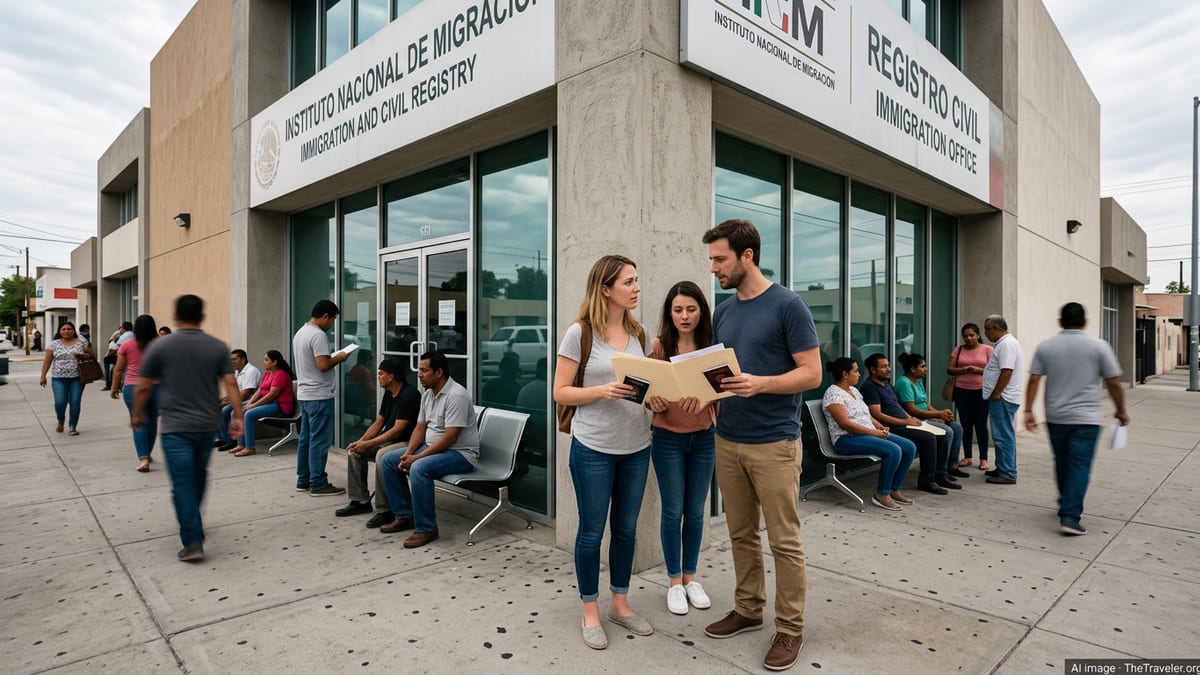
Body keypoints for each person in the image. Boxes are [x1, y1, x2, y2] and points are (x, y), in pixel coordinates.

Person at [700, 220, 820, 672]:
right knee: (739, 533)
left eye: (720, 259)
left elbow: (811, 373)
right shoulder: (725, 311)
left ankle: (789, 629)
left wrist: (762, 383)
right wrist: (707, 396)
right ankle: (749, 610)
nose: (714, 268)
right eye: (712, 259)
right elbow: (719, 371)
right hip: (727, 439)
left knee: (785, 542)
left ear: (747, 255)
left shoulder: (789, 305)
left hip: (775, 443)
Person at [552, 254, 654, 651]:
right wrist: (601, 390)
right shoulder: (580, 333)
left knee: (626, 530)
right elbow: (560, 391)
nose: (636, 287)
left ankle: (620, 604)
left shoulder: (640, 335)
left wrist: (656, 400)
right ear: (606, 288)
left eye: (636, 279)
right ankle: (590, 609)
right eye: (629, 281)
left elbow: (644, 389)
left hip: (637, 446)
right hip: (593, 447)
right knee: (592, 532)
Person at [132, 294, 244, 562]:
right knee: (198, 476)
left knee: (182, 482)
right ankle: (194, 522)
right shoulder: (217, 347)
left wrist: (137, 413)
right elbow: (231, 384)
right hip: (206, 425)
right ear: (202, 317)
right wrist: (238, 416)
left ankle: (192, 541)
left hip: (175, 428)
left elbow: (144, 385)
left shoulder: (160, 347)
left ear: (176, 317)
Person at [642, 280, 718, 616]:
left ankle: (691, 578)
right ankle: (674, 581)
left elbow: (724, 390)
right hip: (668, 439)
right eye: (678, 310)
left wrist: (707, 396)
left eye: (691, 309)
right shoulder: (659, 346)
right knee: (673, 511)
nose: (684, 316)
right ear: (669, 313)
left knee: (696, 510)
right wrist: (650, 399)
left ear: (701, 311)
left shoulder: (712, 348)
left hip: (704, 438)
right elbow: (640, 389)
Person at [1024, 303, 1128, 535]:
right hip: (1087, 418)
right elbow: (1113, 382)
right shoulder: (1099, 346)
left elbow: (1034, 379)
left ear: (1060, 322)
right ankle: (1070, 516)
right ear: (1085, 322)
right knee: (1079, 466)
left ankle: (1066, 501)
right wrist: (1121, 410)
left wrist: (1028, 410)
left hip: (1057, 417)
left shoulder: (1047, 346)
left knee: (1062, 462)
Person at [377, 350, 479, 549]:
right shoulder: (428, 395)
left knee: (419, 468)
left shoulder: (456, 395)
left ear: (439, 372)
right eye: (419, 370)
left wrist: (417, 458)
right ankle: (404, 515)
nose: (419, 374)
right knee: (389, 460)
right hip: (433, 448)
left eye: (424, 370)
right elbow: (420, 427)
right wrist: (410, 452)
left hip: (460, 453)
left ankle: (426, 528)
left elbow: (451, 437)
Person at [821, 357, 917, 511]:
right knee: (893, 450)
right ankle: (882, 494)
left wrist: (879, 426)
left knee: (909, 447)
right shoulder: (833, 394)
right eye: (856, 371)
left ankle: (894, 488)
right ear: (845, 374)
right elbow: (845, 424)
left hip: (868, 433)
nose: (859, 374)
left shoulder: (854, 390)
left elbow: (865, 414)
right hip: (846, 439)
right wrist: (875, 433)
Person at [336, 357, 420, 528]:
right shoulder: (389, 394)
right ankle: (360, 501)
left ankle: (385, 510)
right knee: (355, 451)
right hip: (390, 439)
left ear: (391, 376)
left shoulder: (409, 395)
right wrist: (361, 441)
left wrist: (369, 444)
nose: (378, 377)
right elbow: (379, 421)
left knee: (383, 456)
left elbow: (397, 429)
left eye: (381, 374)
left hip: (407, 442)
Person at [860, 353, 960, 495]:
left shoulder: (887, 385)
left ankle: (940, 474)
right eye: (883, 367)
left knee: (942, 433)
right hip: (892, 426)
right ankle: (926, 480)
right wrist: (905, 421)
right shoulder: (870, 387)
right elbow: (877, 415)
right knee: (928, 438)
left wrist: (910, 418)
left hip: (904, 422)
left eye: (888, 365)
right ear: (873, 370)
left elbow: (897, 406)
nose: (888, 369)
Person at [292, 299, 351, 496]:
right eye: (332, 320)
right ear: (325, 316)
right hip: (319, 394)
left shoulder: (300, 333)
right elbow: (323, 365)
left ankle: (304, 479)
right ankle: (317, 483)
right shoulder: (318, 335)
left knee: (306, 440)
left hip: (306, 395)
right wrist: (340, 357)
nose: (332, 324)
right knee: (319, 441)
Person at [896, 352, 968, 479]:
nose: (926, 369)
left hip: (927, 417)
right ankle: (940, 470)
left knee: (957, 428)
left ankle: (952, 465)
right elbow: (911, 409)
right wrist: (936, 414)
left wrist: (941, 415)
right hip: (917, 420)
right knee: (948, 431)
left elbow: (926, 404)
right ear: (913, 369)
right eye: (923, 366)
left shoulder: (917, 381)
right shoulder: (904, 382)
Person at [110, 315, 159, 472]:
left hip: (133, 388)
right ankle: (148, 453)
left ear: (135, 328)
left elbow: (118, 370)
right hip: (158, 387)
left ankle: (143, 459)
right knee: (152, 422)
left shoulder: (127, 344)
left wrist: (114, 387)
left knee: (138, 422)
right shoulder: (161, 345)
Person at [982, 315, 1023, 485]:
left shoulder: (1006, 344)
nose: (985, 334)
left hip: (1003, 398)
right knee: (1001, 434)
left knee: (1003, 436)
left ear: (997, 328)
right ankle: (1003, 467)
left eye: (988, 329)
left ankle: (1007, 472)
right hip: (1003, 397)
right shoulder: (1004, 343)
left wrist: (997, 393)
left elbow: (1007, 371)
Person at [231, 350, 296, 457]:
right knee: (237, 411)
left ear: (274, 362)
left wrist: (253, 406)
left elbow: (271, 395)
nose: (263, 362)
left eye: (266, 360)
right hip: (269, 404)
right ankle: (240, 444)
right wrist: (250, 403)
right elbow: (260, 390)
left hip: (280, 406)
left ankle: (250, 447)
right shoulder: (267, 373)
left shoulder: (281, 375)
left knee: (249, 414)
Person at [947, 323, 993, 471]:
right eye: (966, 336)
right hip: (962, 391)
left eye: (972, 335)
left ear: (978, 335)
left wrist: (978, 370)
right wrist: (963, 370)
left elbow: (993, 370)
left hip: (981, 391)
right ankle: (967, 457)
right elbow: (949, 369)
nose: (969, 338)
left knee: (980, 425)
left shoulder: (987, 349)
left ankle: (984, 459)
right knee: (965, 424)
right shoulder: (958, 349)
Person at [39, 321, 94, 436]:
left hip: (77, 378)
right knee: (60, 402)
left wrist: (83, 355)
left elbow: (91, 354)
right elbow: (47, 361)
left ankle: (72, 426)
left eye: (69, 329)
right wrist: (43, 376)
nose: (66, 331)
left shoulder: (81, 341)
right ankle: (61, 420)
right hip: (58, 378)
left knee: (75, 401)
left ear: (73, 331)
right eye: (63, 329)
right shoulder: (54, 344)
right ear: (59, 331)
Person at [217, 349, 262, 451]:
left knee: (226, 410)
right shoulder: (237, 372)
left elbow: (246, 393)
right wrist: (223, 399)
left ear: (243, 359)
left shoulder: (251, 371)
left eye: (234, 359)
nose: (232, 362)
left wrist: (228, 401)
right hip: (240, 399)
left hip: (250, 400)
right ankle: (223, 438)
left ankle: (232, 441)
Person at [103, 322, 134, 391]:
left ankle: (110, 384)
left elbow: (117, 347)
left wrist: (109, 354)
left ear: (123, 328)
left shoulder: (124, 336)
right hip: (130, 356)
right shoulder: (133, 335)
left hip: (121, 356)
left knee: (112, 367)